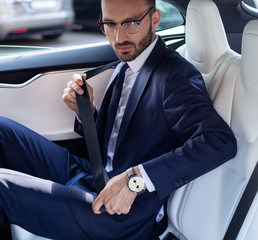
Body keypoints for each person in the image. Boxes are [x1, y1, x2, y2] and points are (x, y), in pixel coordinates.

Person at [0, 0, 237, 239]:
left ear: (154, 20)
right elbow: (119, 139)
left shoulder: (176, 76)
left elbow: (218, 142)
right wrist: (87, 113)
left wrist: (136, 179)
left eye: (131, 23)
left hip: (122, 214)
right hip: (95, 174)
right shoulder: (127, 64)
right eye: (110, 25)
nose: (119, 36)